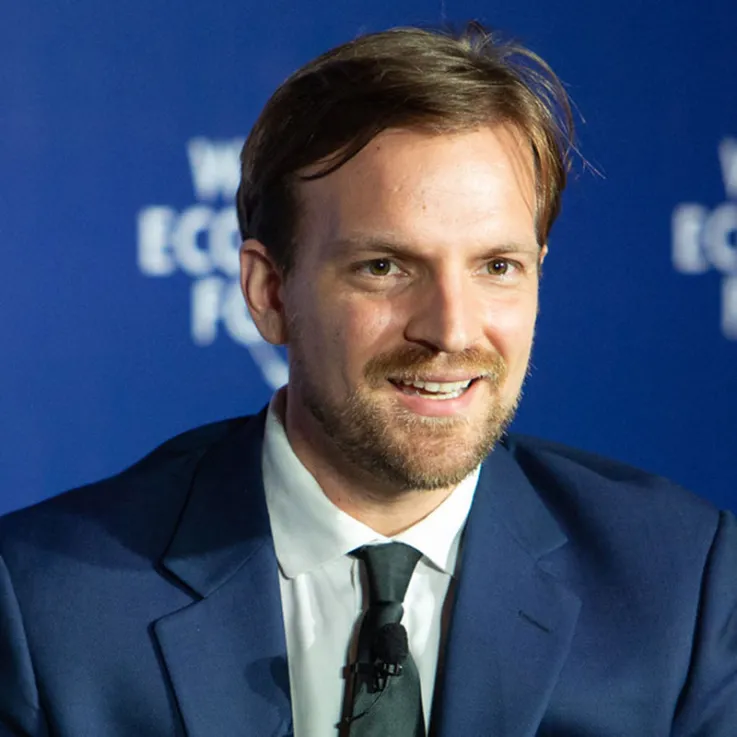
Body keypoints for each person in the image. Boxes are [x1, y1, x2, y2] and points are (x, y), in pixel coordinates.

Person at [1, 22, 736, 737]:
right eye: (384, 267)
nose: (452, 330)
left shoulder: (678, 586)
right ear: (269, 293)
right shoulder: (47, 604)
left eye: (496, 266)